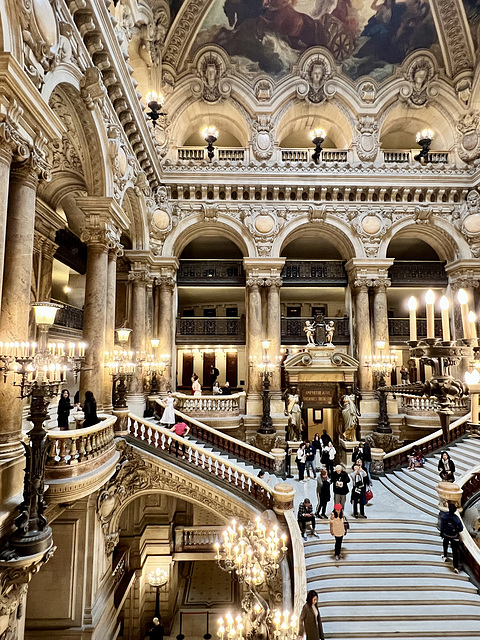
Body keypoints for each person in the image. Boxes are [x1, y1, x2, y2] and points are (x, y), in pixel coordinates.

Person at [439, 502, 463, 573]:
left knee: (445, 544)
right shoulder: (456, 518)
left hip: (446, 534)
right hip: (454, 536)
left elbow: (442, 526)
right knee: (455, 551)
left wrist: (442, 533)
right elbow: (461, 528)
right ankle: (455, 567)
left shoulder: (444, 516)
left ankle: (445, 556)